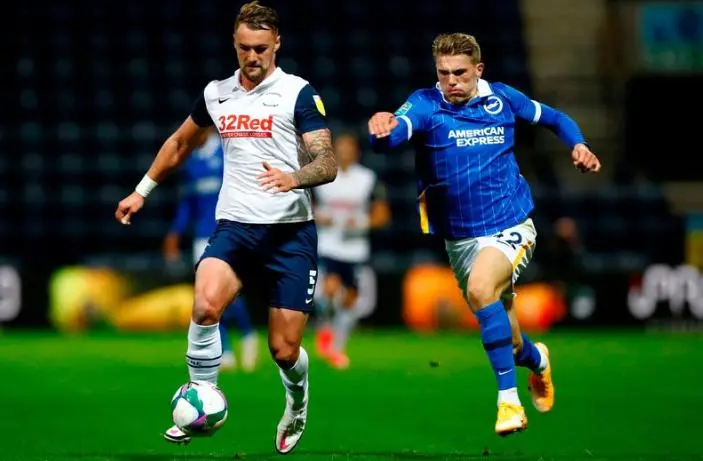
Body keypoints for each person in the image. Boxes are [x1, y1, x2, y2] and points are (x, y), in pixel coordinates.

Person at [114, 1, 337, 453]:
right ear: (234, 44)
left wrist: (293, 178)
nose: (252, 57)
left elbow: (327, 161)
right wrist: (142, 190)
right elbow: (181, 143)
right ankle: (201, 398)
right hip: (235, 227)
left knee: (284, 351)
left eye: (260, 48)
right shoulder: (217, 93)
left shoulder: (297, 92)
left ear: (277, 44)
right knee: (204, 307)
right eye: (244, 48)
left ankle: (297, 402)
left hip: (289, 234)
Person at [367, 33, 601, 436]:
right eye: (443, 73)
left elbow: (556, 119)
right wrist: (381, 129)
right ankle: (538, 361)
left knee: (479, 289)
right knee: (511, 343)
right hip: (460, 240)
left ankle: (508, 402)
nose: (451, 81)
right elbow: (394, 136)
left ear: (479, 69)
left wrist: (578, 145)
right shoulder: (425, 103)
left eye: (459, 72)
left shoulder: (504, 98)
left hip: (510, 224)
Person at [162, 126, 259, 373]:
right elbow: (188, 203)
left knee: (229, 294)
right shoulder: (191, 162)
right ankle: (225, 350)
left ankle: (248, 334)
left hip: (229, 231)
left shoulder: (228, 152)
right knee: (207, 296)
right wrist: (175, 233)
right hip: (201, 236)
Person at [312, 131, 390, 369]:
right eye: (341, 149)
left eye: (349, 149)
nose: (345, 153)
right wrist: (318, 216)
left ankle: (337, 347)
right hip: (328, 245)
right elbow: (306, 205)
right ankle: (325, 331)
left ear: (356, 152)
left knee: (350, 300)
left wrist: (363, 223)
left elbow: (382, 214)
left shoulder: (368, 179)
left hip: (356, 249)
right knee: (330, 290)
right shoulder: (322, 176)